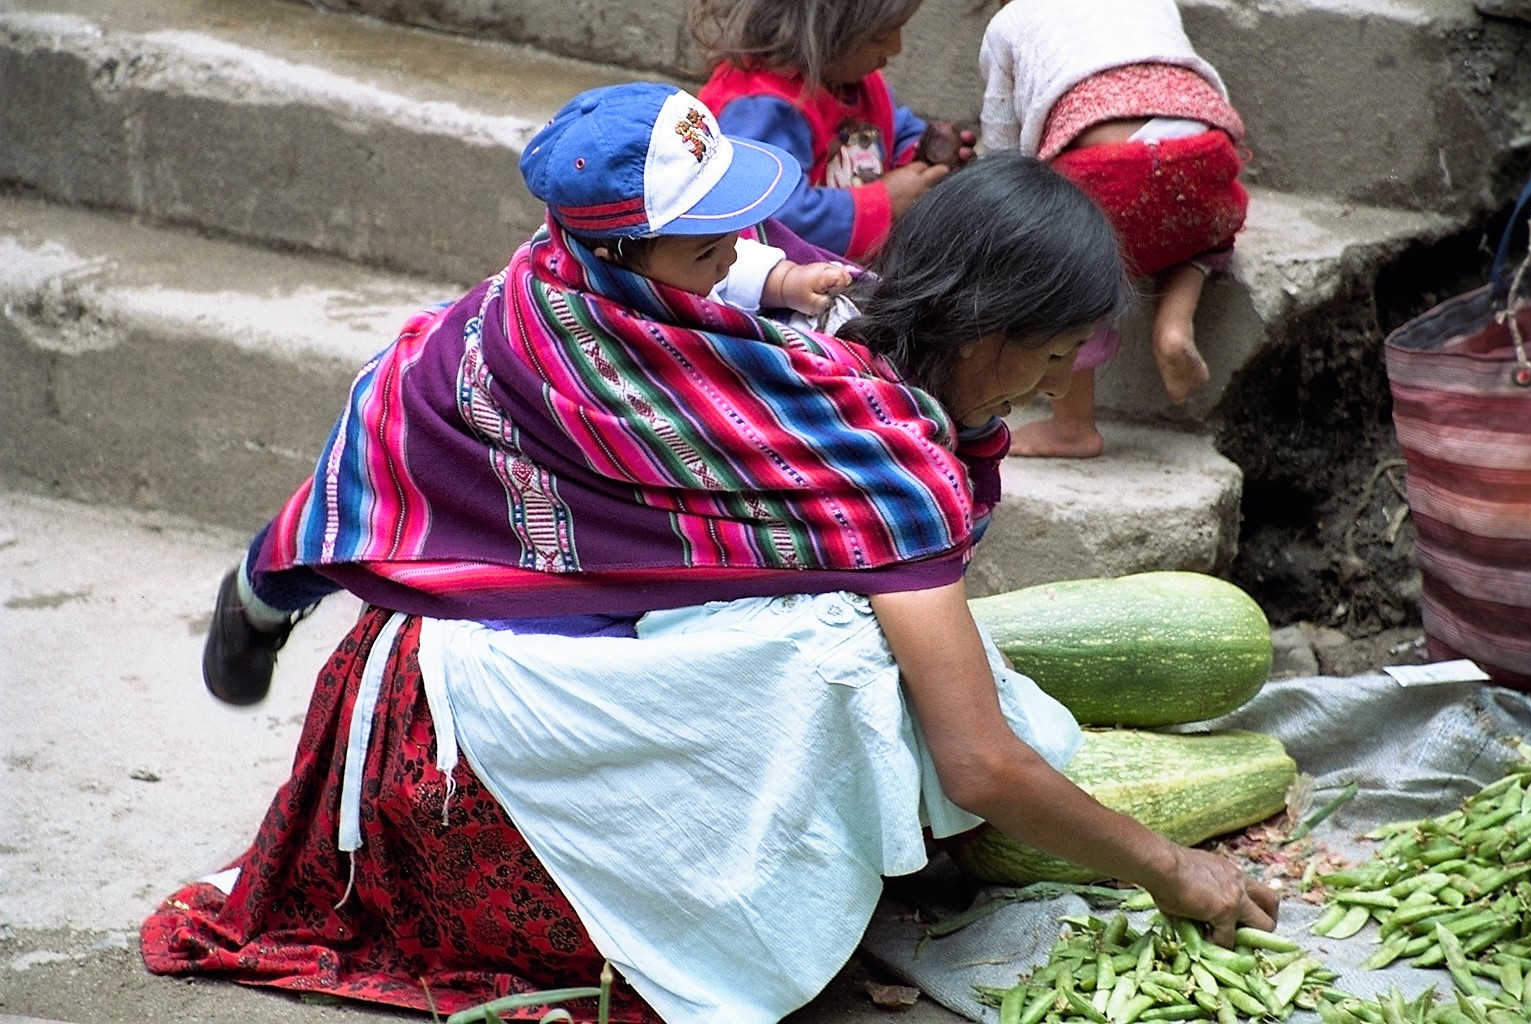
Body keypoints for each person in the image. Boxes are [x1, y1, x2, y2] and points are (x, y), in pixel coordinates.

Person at [145, 82, 1278, 1024]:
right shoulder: (861, 453)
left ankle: (277, 580)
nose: (1054, 385)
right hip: (457, 726)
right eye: (1047, 356)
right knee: (846, 653)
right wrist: (1171, 866)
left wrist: (766, 274)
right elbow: (977, 760)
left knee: (849, 634)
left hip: (424, 647)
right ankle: (274, 585)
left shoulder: (678, 306)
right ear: (980, 329)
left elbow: (724, 286)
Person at [200, 84, 855, 706]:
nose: (730, 260)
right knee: (355, 519)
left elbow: (725, 261)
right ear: (615, 256)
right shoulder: (568, 354)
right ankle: (255, 604)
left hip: (543, 463)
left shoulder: (654, 260)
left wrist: (785, 281)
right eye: (712, 249)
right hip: (444, 425)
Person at [979, 0, 1249, 458]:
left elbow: (1004, 153)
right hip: (1205, 151)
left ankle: (1072, 428)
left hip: (1107, 171)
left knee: (1072, 268)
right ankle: (1174, 324)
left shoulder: (1010, 23)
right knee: (1205, 228)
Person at [688, 0, 976, 262]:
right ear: (823, 30)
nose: (895, 48)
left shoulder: (855, 81)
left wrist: (925, 156)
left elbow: (895, 127)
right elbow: (771, 217)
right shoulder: (762, 107)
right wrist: (885, 203)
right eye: (879, 36)